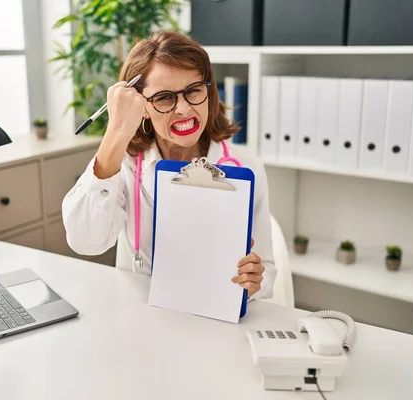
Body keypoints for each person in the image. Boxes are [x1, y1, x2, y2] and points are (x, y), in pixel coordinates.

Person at [62, 31, 276, 300]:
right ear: (142, 106)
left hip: (214, 317)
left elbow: (265, 272)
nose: (184, 109)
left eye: (193, 90)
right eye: (164, 97)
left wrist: (254, 283)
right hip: (142, 318)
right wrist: (116, 133)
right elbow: (85, 241)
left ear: (209, 91)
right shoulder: (125, 165)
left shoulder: (246, 167)